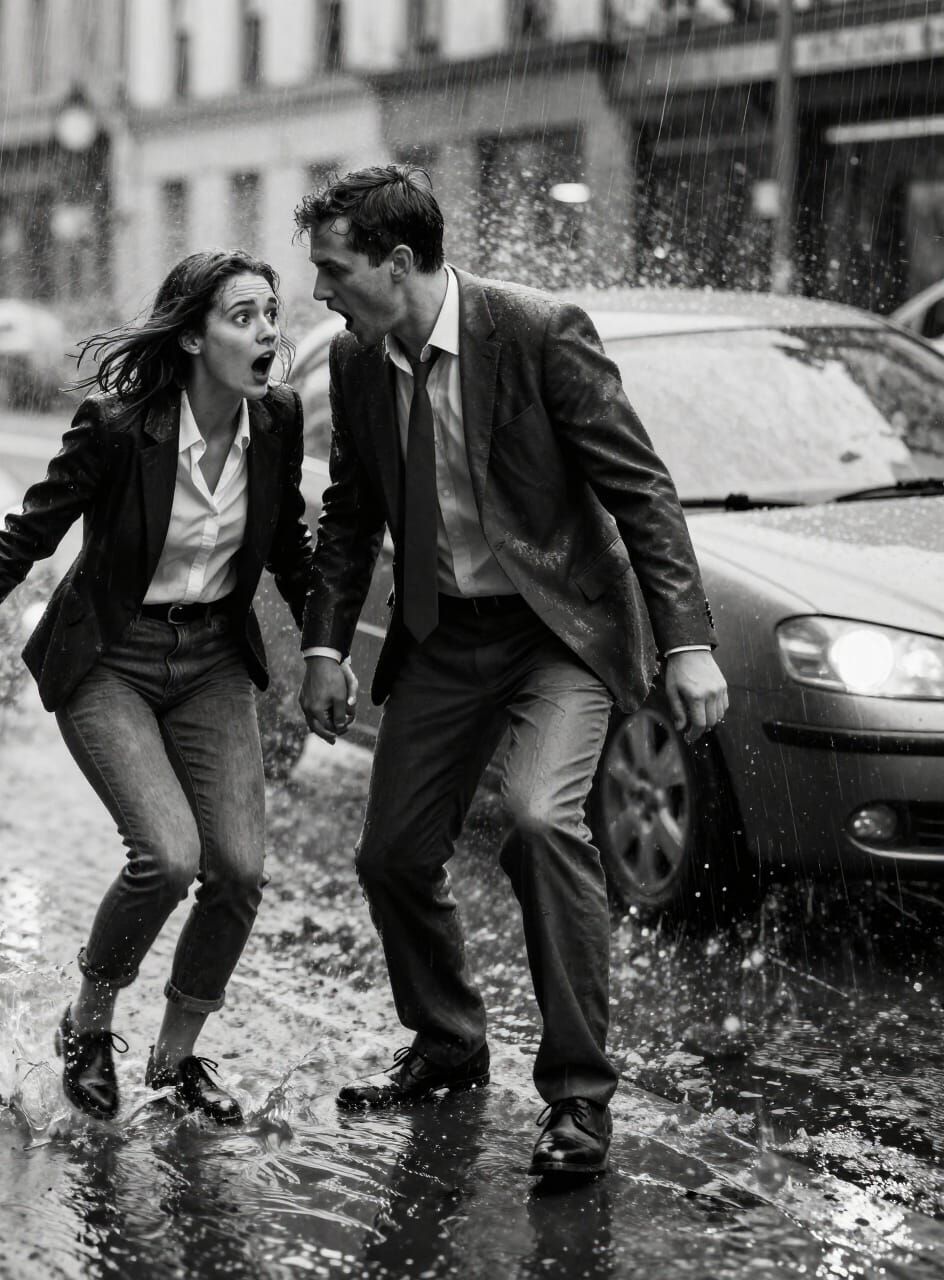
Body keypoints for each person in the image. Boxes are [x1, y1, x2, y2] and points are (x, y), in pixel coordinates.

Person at [293, 166, 728, 1176]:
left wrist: (689, 641)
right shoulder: (360, 365)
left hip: (556, 633)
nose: (319, 293)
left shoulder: (536, 331)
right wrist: (322, 644)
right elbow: (353, 512)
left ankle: (578, 1096)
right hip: (444, 637)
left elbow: (643, 493)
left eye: (331, 270)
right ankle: (448, 1036)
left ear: (397, 265)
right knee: (390, 855)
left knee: (538, 817)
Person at [0, 250, 330, 1126]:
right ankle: (88, 1023)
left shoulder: (277, 420)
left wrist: (324, 653)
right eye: (243, 315)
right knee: (168, 856)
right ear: (193, 336)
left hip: (213, 665)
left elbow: (289, 555)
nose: (267, 330)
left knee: (237, 872)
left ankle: (178, 1058)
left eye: (271, 312)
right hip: (111, 658)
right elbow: (27, 534)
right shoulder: (121, 426)